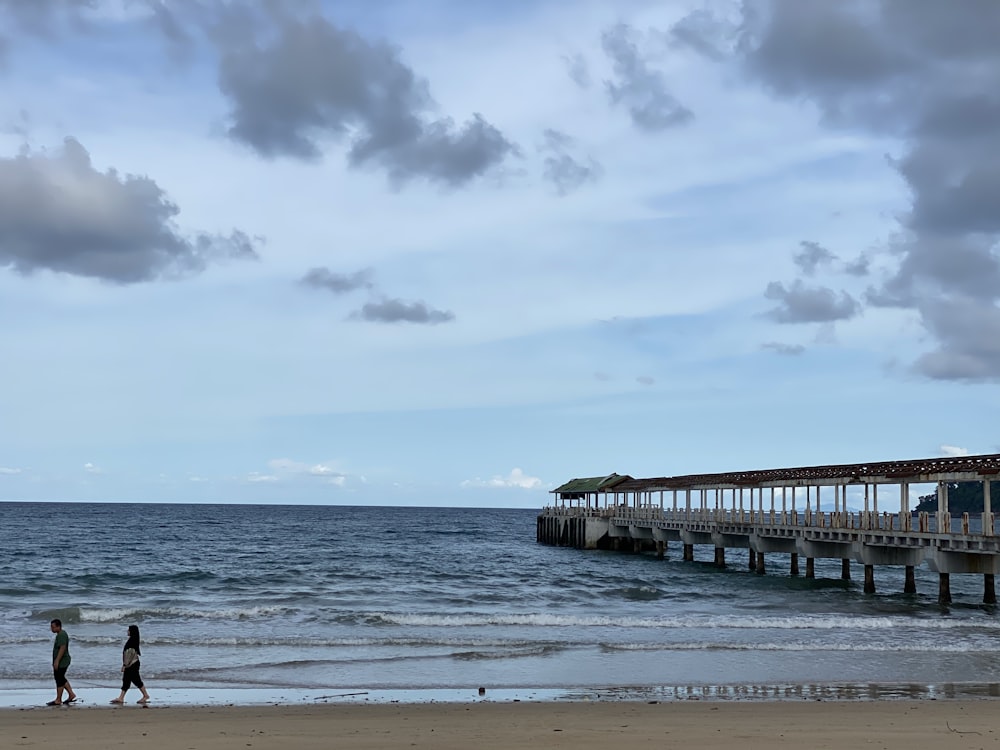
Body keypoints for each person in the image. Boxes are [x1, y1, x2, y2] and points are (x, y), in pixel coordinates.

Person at [111, 624, 150, 705]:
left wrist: (124, 665)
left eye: (128, 630)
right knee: (126, 680)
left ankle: (145, 695)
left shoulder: (132, 641)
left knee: (136, 680)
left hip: (132, 664)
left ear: (132, 631)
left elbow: (129, 655)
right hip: (132, 663)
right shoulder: (133, 640)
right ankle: (121, 698)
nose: (127, 631)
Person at [48, 619, 78, 706]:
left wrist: (57, 661)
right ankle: (71, 694)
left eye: (53, 627)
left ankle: (58, 699)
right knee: (61, 678)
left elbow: (62, 648)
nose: (51, 629)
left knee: (59, 679)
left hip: (63, 661)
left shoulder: (61, 635)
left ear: (58, 626)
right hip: (62, 660)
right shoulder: (60, 635)